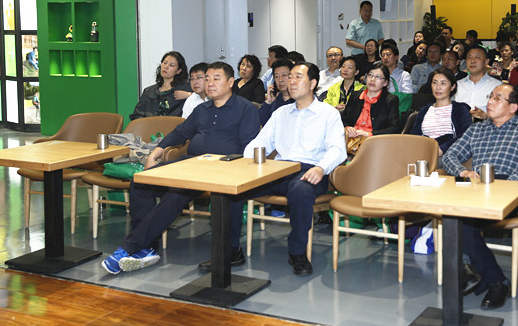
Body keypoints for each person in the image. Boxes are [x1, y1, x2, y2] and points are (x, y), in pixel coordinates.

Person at [103, 61, 261, 275]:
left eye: (216, 79)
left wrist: (224, 165)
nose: (210, 83)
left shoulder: (246, 109)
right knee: (141, 182)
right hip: (192, 163)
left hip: (225, 169)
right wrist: (155, 153)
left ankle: (131, 247)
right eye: (207, 79)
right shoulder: (202, 109)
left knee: (176, 193)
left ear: (231, 82)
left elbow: (249, 147)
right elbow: (180, 132)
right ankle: (147, 247)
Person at [442, 83, 518, 310]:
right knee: (453, 216)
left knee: (462, 222)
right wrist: (463, 172)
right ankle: (495, 280)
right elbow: (450, 156)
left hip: (510, 188)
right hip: (478, 188)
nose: (490, 101)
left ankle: (471, 269)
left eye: (498, 98)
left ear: (513, 107)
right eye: (490, 97)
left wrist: (510, 183)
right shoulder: (477, 129)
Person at [245, 62, 347, 276]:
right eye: (289, 77)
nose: (291, 81)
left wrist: (321, 168)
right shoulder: (281, 113)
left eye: (298, 77)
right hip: (278, 170)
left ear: (313, 83)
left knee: (301, 191)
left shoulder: (328, 114)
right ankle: (230, 250)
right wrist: (246, 160)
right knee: (234, 189)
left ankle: (297, 252)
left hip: (310, 170)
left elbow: (338, 150)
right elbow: (261, 142)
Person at [409, 67, 472, 155]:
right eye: (434, 83)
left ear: (452, 87)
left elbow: (467, 134)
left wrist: (443, 149)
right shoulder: (425, 110)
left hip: (449, 154)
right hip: (423, 152)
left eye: (443, 83)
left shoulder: (460, 109)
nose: (438, 87)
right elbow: (414, 136)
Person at [342, 63, 401, 140]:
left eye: (378, 77)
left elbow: (394, 128)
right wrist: (347, 127)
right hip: (351, 139)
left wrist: (368, 134)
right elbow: (344, 118)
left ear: (385, 83)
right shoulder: (355, 95)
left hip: (375, 141)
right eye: (370, 75)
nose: (372, 79)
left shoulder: (390, 100)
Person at [130, 51, 191, 120]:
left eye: (171, 65)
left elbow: (199, 102)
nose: (166, 67)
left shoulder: (186, 88)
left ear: (178, 71)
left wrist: (189, 95)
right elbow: (137, 115)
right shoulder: (149, 91)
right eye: (165, 63)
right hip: (151, 126)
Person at [455, 46, 501, 120]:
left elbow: (505, 116)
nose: (472, 61)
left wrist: (487, 116)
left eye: (477, 57)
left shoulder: (497, 86)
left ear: (486, 62)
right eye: (469, 57)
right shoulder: (457, 85)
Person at [259, 59, 295, 125]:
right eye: (277, 77)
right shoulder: (275, 100)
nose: (280, 80)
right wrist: (268, 102)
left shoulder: (299, 100)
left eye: (284, 75)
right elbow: (264, 123)